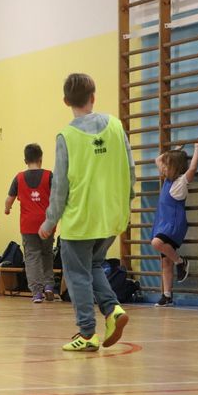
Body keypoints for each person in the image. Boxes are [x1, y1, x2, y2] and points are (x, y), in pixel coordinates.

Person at [38, 73, 136, 351]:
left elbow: (60, 184)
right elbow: (130, 170)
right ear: (94, 96)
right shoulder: (116, 126)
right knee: (92, 265)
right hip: (111, 215)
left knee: (77, 274)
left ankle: (87, 333)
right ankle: (113, 310)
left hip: (80, 218)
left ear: (65, 101)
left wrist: (50, 219)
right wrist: (127, 202)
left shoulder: (66, 136)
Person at [151, 142, 198, 307]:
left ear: (176, 167)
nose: (163, 168)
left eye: (167, 166)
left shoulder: (181, 181)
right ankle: (167, 296)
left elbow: (193, 168)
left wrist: (196, 148)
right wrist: (176, 150)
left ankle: (181, 262)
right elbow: (158, 159)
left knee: (156, 243)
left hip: (174, 224)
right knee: (166, 261)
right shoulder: (167, 179)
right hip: (163, 222)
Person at [5, 143, 54, 303]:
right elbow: (57, 197)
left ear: (25, 160)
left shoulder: (19, 178)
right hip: (46, 223)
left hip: (28, 225)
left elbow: (9, 199)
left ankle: (37, 293)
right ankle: (48, 285)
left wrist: (7, 209)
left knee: (32, 257)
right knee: (47, 254)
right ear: (41, 159)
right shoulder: (49, 176)